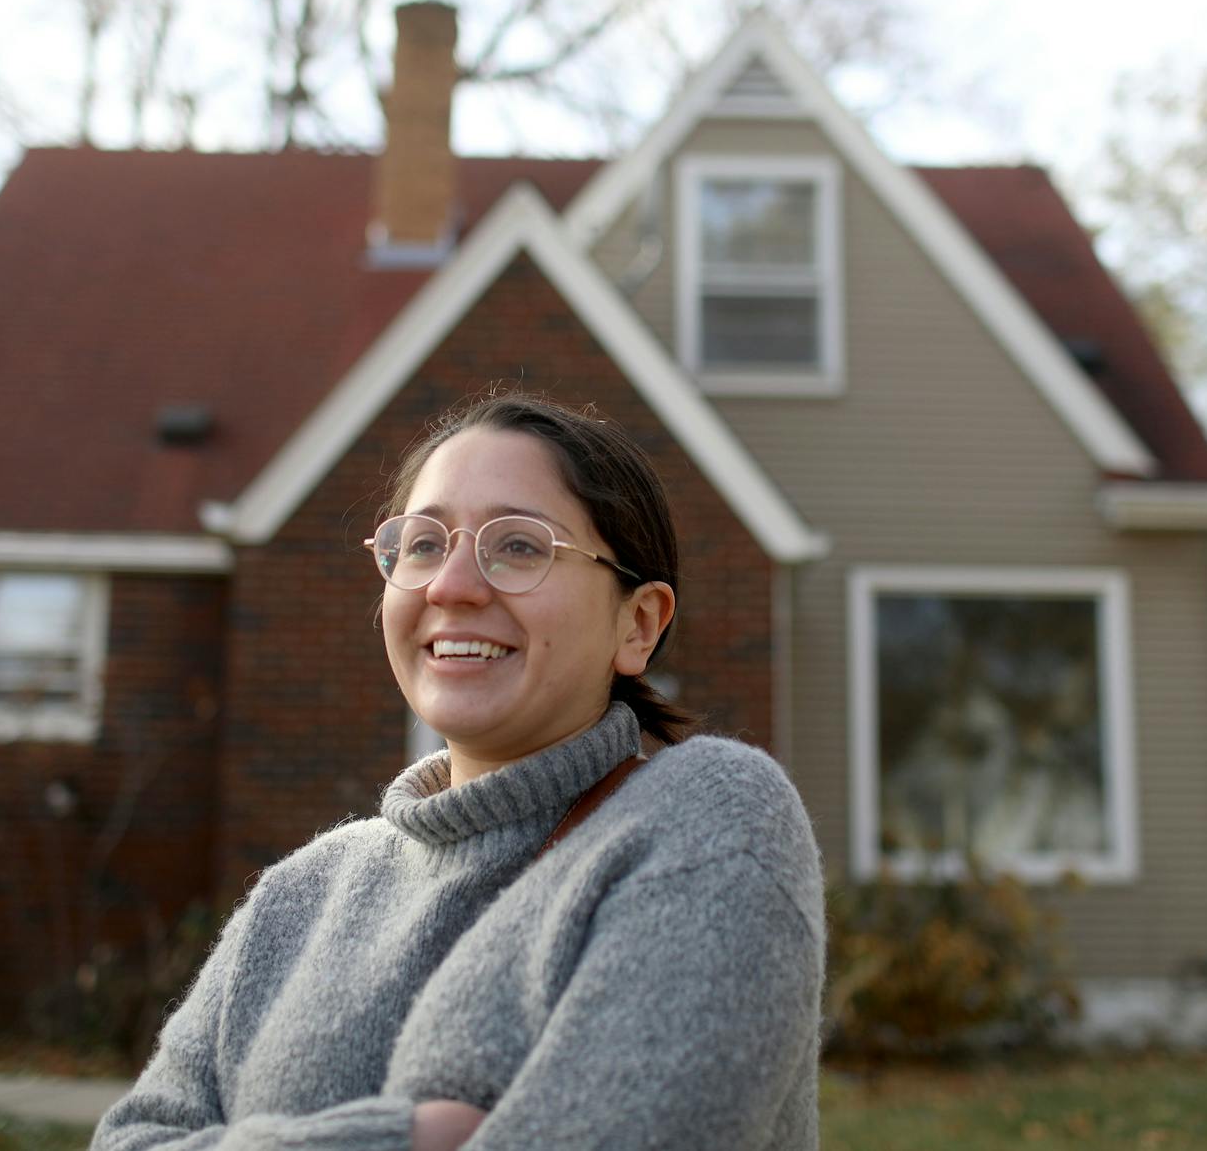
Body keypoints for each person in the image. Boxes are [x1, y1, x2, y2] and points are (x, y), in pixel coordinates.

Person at [91, 392, 825, 1150]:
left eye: (519, 546)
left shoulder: (705, 821)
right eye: (422, 545)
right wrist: (404, 1140)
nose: (451, 586)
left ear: (636, 625)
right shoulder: (297, 899)